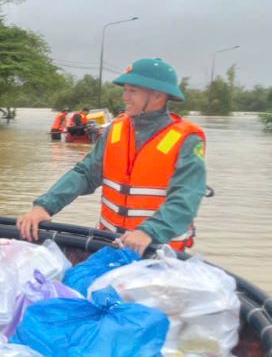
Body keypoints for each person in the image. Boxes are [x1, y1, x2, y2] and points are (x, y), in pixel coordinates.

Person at [18, 58, 206, 254]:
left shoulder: (186, 139)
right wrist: (44, 207)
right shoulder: (116, 129)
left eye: (132, 91)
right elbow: (85, 173)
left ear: (157, 94)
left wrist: (149, 232)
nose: (125, 97)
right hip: (110, 245)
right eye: (124, 90)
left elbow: (187, 196)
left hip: (160, 252)